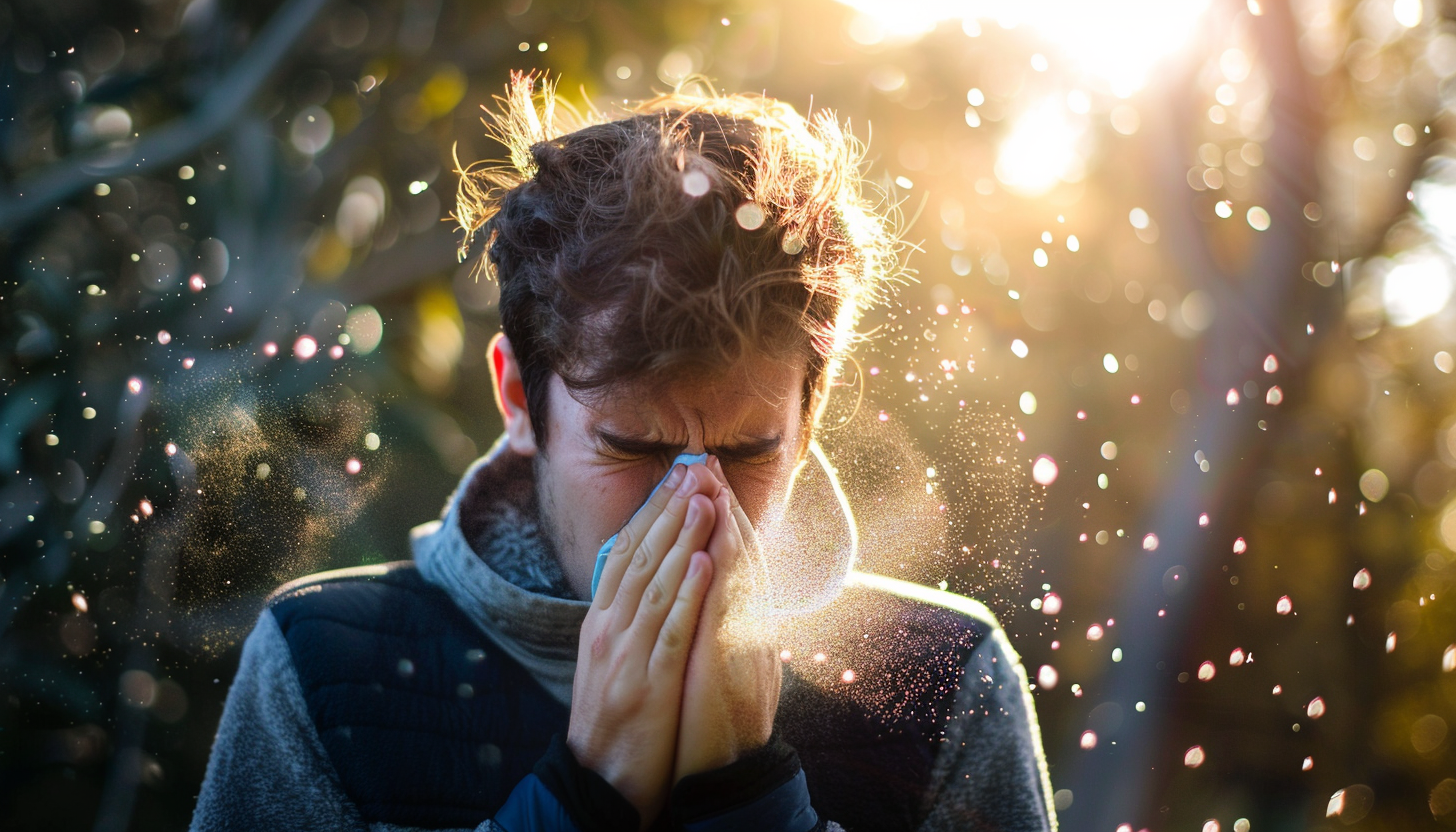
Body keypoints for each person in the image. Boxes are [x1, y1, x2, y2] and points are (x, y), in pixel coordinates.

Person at [191, 74, 1056, 832]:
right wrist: (582, 798)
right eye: (634, 445)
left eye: (749, 450)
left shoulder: (944, 681)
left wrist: (749, 800)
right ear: (520, 399)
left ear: (811, 414)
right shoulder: (324, 668)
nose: (694, 501)